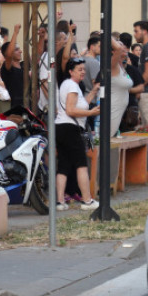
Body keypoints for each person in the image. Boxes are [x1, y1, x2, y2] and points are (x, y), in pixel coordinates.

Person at [55, 57, 101, 211]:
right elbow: (71, 110)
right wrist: (91, 112)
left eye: (84, 69)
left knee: (63, 164)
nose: (83, 72)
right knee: (81, 164)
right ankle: (87, 200)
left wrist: (94, 91)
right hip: (70, 128)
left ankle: (60, 201)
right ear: (70, 71)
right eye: (79, 69)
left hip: (61, 127)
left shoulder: (69, 85)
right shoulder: (72, 86)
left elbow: (81, 104)